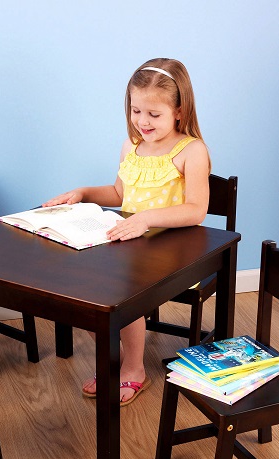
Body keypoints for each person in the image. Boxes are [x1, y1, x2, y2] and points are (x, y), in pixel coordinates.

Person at [42, 58, 210, 405]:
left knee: (120, 291)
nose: (142, 122)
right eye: (136, 111)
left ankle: (133, 368)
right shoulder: (130, 146)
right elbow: (120, 194)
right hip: (129, 241)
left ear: (179, 111)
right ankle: (115, 354)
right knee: (82, 287)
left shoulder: (191, 151)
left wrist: (147, 218)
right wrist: (85, 193)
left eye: (154, 114)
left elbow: (197, 210)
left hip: (172, 249)